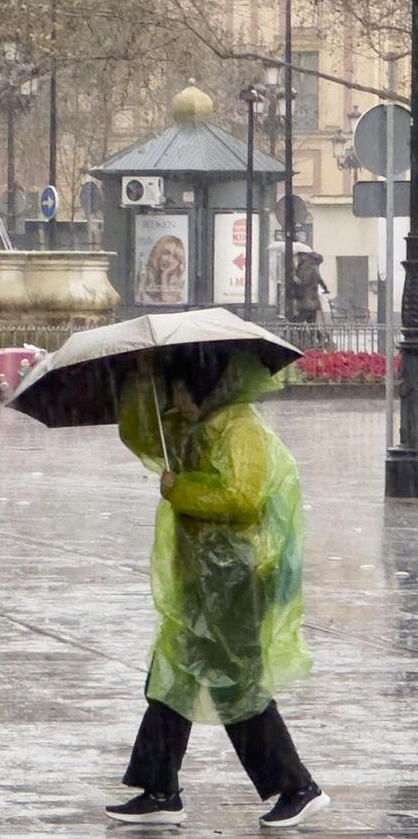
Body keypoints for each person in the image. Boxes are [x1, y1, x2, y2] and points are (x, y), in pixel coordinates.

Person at [107, 347, 326, 829]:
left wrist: (179, 489)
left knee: (237, 688)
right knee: (172, 681)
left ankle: (298, 787)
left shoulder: (239, 428)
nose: (177, 403)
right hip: (202, 579)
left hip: (238, 580)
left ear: (203, 389)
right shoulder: (201, 426)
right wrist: (142, 385)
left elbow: (243, 497)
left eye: (180, 392)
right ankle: (159, 789)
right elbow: (143, 435)